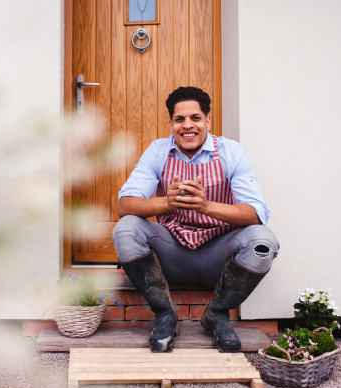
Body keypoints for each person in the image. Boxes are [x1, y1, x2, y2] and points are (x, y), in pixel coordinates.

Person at [112, 86, 279, 353]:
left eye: (195, 118)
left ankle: (218, 314)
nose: (187, 126)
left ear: (207, 121)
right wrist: (167, 202)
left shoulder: (231, 152)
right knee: (126, 229)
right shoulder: (158, 151)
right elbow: (125, 205)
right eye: (180, 119)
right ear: (171, 123)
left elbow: (256, 213)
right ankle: (165, 314)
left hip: (219, 255)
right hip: (173, 253)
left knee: (263, 242)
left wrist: (206, 206)